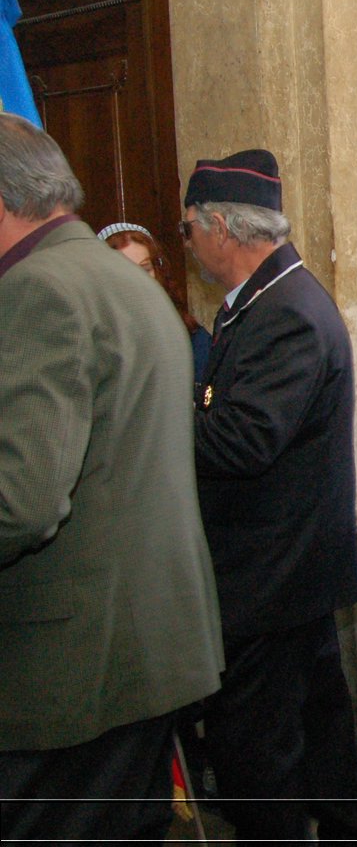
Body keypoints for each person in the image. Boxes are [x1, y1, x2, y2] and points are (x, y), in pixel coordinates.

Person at [0, 116, 223, 842]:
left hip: (70, 668)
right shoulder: (124, 283)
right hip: (148, 644)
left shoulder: (37, 289)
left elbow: (21, 501)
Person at [182, 149, 357, 844]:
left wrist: (153, 415)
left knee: (255, 765)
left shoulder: (287, 312)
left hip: (269, 580)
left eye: (187, 228)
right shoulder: (262, 303)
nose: (186, 243)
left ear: (221, 228)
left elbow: (243, 442)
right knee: (322, 753)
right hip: (285, 575)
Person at [99, 221, 210, 382]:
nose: (137, 280)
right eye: (124, 270)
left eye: (144, 269)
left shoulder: (191, 337)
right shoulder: (88, 340)